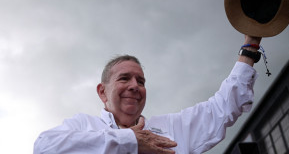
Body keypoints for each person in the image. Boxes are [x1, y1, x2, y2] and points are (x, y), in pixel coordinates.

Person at [34, 35, 261, 154]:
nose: (134, 86)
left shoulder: (172, 129)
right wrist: (129, 142)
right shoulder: (84, 126)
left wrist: (250, 46)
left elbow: (221, 108)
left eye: (140, 81)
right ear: (102, 92)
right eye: (124, 78)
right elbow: (44, 148)